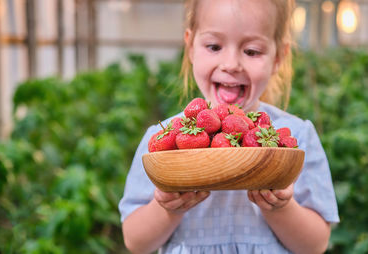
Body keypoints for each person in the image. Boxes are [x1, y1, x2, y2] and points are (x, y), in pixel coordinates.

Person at [118, 0, 339, 253]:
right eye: (214, 46)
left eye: (252, 51)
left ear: (278, 57)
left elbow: (316, 244)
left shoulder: (294, 138)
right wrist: (166, 208)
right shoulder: (165, 140)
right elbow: (135, 241)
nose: (231, 63)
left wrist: (281, 208)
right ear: (190, 47)